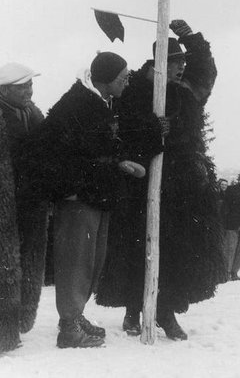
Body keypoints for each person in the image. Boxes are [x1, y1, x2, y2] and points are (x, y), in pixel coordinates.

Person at [95, 20, 227, 340]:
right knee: (135, 244)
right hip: (142, 178)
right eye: (174, 62)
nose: (181, 68)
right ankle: (132, 308)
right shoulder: (137, 88)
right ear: (158, 64)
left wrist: (191, 38)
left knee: (174, 248)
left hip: (179, 184)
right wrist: (153, 130)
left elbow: (207, 71)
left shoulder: (188, 92)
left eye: (183, 62)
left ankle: (166, 311)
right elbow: (125, 127)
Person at [21, 52, 143, 348]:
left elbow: (90, 149)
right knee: (76, 262)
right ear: (107, 80)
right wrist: (68, 188)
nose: (127, 82)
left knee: (92, 261)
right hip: (79, 199)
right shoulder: (76, 104)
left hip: (96, 195)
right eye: (123, 77)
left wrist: (118, 163)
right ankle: (69, 328)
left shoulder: (100, 103)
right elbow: (47, 150)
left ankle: (76, 316)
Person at [0, 63, 48, 354]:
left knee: (20, 270)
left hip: (25, 205)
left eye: (30, 86)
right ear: (4, 89)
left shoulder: (32, 115)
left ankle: (9, 329)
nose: (29, 91)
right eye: (22, 87)